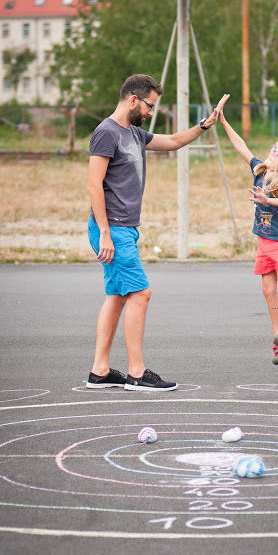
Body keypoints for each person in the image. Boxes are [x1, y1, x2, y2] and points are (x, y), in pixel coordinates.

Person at [86, 74, 229, 391]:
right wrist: (106, 235)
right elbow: (94, 184)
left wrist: (205, 124)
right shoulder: (106, 133)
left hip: (125, 229)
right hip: (113, 229)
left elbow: (175, 142)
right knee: (141, 293)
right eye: (150, 105)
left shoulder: (135, 134)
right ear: (133, 99)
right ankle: (137, 373)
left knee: (118, 296)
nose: (152, 112)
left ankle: (99, 370)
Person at [219, 99, 278, 365]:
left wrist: (267, 200)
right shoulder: (259, 170)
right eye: (273, 149)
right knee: (267, 289)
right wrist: (224, 123)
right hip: (265, 244)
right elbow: (241, 147)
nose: (272, 152)